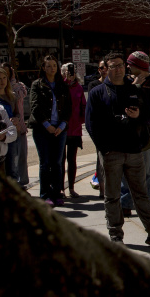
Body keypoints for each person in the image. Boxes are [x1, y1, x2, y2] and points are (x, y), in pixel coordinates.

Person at [85, 52, 150, 247]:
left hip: (134, 150)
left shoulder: (135, 90)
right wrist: (104, 149)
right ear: (106, 69)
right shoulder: (97, 92)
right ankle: (116, 236)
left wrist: (138, 116)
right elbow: (91, 124)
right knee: (112, 197)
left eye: (120, 65)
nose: (117, 69)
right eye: (113, 66)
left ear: (125, 67)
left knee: (141, 193)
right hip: (111, 153)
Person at [121, 51, 150, 214]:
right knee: (126, 169)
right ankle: (126, 203)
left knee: (145, 170)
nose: (128, 66)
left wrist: (139, 114)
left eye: (130, 64)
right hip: (126, 129)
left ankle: (145, 203)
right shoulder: (125, 81)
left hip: (145, 130)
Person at [27, 55, 71, 206]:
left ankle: (57, 193)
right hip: (42, 129)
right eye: (48, 65)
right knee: (45, 162)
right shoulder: (37, 85)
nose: (52, 68)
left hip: (60, 129)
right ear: (43, 68)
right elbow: (35, 106)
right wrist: (47, 125)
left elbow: (68, 108)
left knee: (57, 163)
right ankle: (45, 194)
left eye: (54, 65)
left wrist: (61, 126)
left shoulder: (63, 85)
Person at [1, 61, 30, 190]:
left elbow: (21, 94)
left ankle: (22, 183)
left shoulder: (17, 88)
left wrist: (11, 81)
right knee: (10, 160)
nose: (4, 80)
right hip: (4, 132)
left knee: (22, 157)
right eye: (1, 77)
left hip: (20, 128)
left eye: (6, 75)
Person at [61, 62, 87, 199]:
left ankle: (71, 187)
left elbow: (84, 105)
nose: (69, 74)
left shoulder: (78, 88)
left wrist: (81, 120)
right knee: (61, 159)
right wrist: (65, 80)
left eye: (71, 71)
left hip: (75, 129)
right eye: (66, 71)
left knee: (72, 159)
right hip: (61, 128)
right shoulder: (61, 86)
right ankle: (61, 188)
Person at [87, 59, 109, 198]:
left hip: (113, 127)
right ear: (98, 70)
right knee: (100, 160)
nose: (104, 70)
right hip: (100, 127)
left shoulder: (116, 84)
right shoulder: (94, 85)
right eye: (101, 68)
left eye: (106, 67)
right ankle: (102, 190)